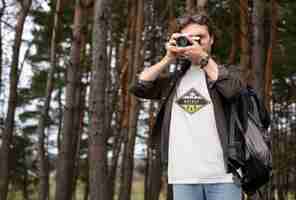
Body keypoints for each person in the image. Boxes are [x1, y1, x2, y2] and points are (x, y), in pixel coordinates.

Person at [129, 11, 245, 200]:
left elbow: (232, 90)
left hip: (225, 176)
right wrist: (168, 58)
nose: (195, 43)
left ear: (212, 40)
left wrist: (203, 59)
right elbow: (139, 87)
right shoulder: (174, 81)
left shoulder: (228, 72)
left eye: (200, 38)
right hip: (183, 176)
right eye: (189, 39)